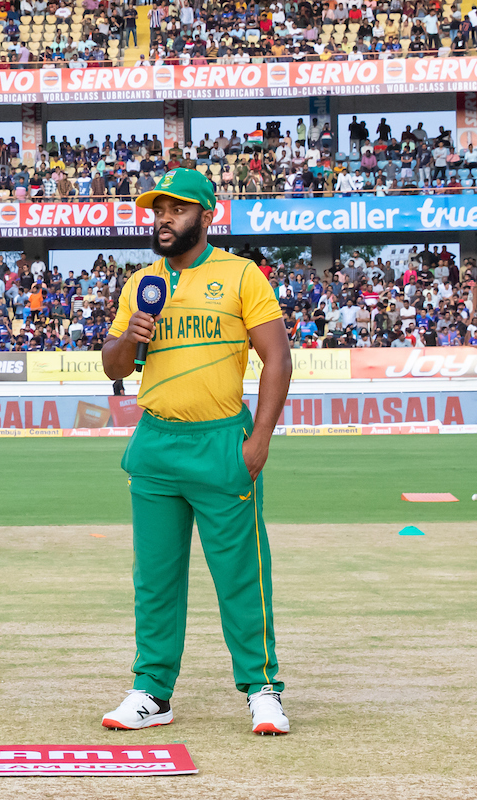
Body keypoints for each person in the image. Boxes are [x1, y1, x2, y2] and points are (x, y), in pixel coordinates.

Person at [99, 169, 294, 736]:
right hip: (157, 442)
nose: (164, 218)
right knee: (155, 578)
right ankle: (152, 692)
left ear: (207, 216)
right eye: (159, 209)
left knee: (241, 575)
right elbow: (113, 367)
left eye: (178, 210)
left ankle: (262, 689)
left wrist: (258, 440)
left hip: (220, 442)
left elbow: (276, 360)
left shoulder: (241, 275)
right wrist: (129, 338)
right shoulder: (141, 283)